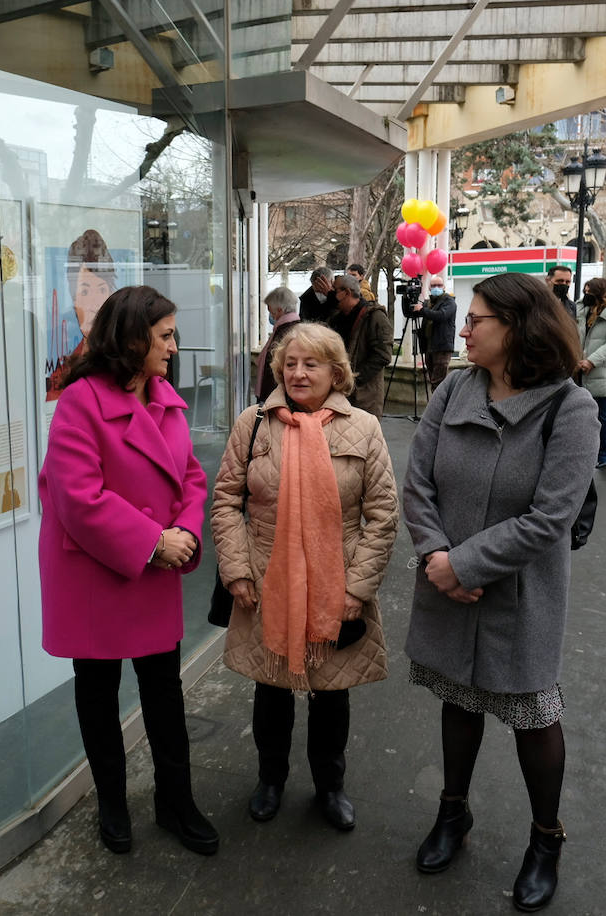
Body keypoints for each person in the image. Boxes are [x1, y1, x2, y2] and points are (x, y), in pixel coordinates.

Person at [403, 271, 598, 913]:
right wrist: (437, 557)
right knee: (458, 700)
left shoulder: (571, 408)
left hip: (521, 597)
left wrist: (464, 565)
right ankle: (452, 815)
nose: (463, 329)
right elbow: (418, 484)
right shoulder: (454, 387)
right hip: (444, 582)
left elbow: (551, 518)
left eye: (476, 318)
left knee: (533, 717)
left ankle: (547, 840)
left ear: (515, 327)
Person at [37, 285, 217, 857]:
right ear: (133, 337)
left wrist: (185, 533)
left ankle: (176, 801)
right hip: (100, 573)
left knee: (163, 691)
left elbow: (190, 473)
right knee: (98, 691)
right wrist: (151, 541)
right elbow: (76, 496)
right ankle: (111, 802)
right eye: (165, 335)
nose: (174, 346)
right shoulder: (80, 399)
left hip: (154, 566)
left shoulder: (164, 395)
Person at [211, 321, 398, 832]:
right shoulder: (253, 424)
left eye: (310, 364)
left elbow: (382, 514)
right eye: (289, 363)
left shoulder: (363, 428)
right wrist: (237, 568)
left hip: (335, 584)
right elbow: (227, 500)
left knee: (331, 694)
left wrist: (358, 588)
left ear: (336, 373)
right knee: (270, 691)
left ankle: (329, 787)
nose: (297, 372)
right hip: (267, 580)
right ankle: (270, 780)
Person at [46, 228, 118, 398]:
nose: (94, 305)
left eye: (101, 291)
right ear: (73, 298)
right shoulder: (63, 365)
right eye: (84, 292)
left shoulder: (123, 358)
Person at [575, 277, 606, 468]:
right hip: (580, 370)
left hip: (601, 373)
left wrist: (591, 361)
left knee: (604, 415)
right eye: (585, 291)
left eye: (590, 292)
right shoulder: (582, 312)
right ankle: (588, 452)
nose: (586, 295)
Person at [332, 273, 393, 416]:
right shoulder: (338, 319)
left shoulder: (375, 317)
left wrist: (354, 379)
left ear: (346, 292)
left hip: (364, 398)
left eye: (335, 291)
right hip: (343, 394)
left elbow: (383, 356)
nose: (331, 296)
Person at [410, 275, 458, 387]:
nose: (436, 287)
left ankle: (439, 403)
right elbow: (419, 313)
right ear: (429, 288)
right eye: (433, 285)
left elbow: (441, 315)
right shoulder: (428, 303)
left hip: (442, 346)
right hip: (429, 346)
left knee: (439, 382)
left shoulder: (449, 302)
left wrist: (422, 310)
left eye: (439, 285)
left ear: (444, 286)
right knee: (432, 378)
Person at [255, 286, 300, 403]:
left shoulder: (287, 331)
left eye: (271, 311)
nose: (271, 315)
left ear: (280, 310)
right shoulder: (284, 328)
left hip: (276, 396)